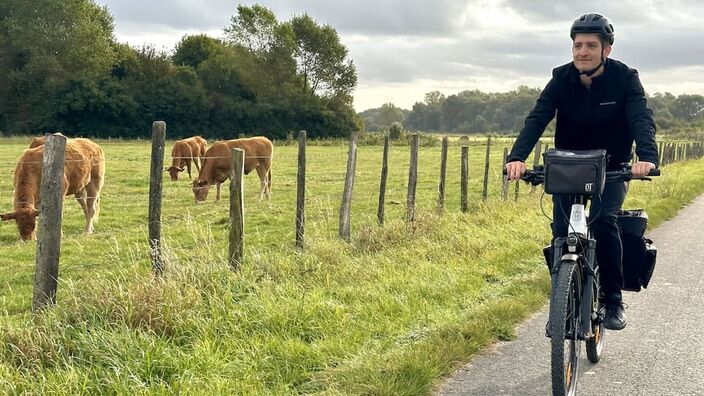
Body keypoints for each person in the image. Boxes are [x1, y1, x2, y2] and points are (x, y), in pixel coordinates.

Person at [505, 13, 659, 330]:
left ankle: (613, 300)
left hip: (612, 167)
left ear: (607, 50)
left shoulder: (625, 78)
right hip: (569, 166)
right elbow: (537, 118)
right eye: (577, 45)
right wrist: (517, 157)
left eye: (590, 45)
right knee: (561, 231)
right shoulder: (561, 78)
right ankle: (563, 302)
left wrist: (646, 157)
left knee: (604, 221)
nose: (582, 52)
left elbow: (641, 118)